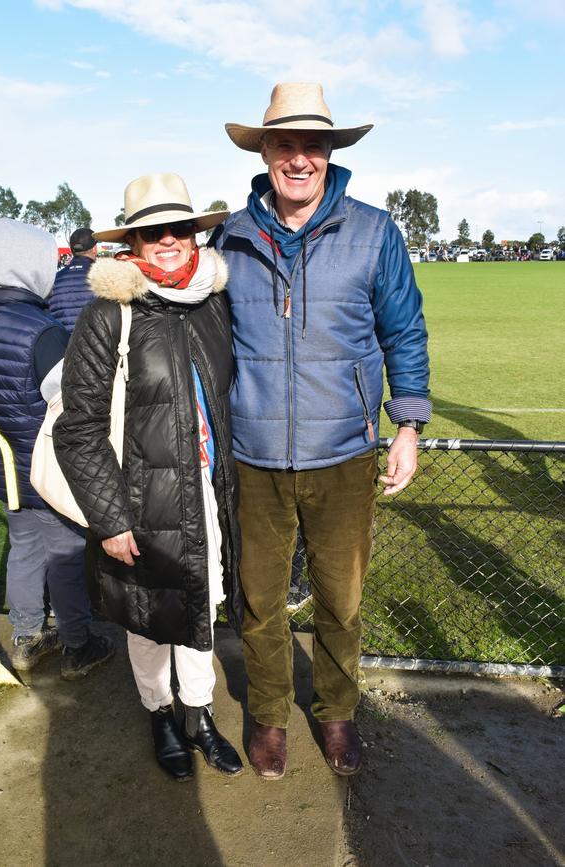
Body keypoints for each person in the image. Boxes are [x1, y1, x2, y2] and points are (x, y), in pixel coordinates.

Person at [211, 82, 431, 779]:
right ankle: (269, 715)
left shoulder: (373, 232)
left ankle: (336, 713)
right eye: (285, 144)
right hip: (253, 455)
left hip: (343, 454)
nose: (299, 158)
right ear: (266, 151)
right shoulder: (231, 237)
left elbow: (404, 331)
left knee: (340, 600)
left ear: (330, 154)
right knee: (259, 602)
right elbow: (202, 334)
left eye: (313, 145)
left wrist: (408, 427)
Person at [53, 173, 244, 782]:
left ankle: (201, 713)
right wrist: (109, 518)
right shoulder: (107, 314)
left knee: (200, 608)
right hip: (138, 504)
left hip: (209, 491)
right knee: (148, 620)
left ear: (195, 234)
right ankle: (160, 716)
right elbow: (78, 427)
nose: (168, 239)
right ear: (132, 241)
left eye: (180, 228)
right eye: (152, 231)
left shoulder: (213, 302)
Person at [0, 219, 115, 678]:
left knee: (23, 549)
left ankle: (25, 638)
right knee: (65, 555)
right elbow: (74, 406)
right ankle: (78, 644)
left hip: (3, 465)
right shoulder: (41, 331)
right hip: (46, 469)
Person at [48, 227, 98, 332]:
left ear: (71, 250)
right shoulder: (103, 278)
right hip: (94, 345)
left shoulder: (54, 279)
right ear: (94, 249)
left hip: (62, 345)